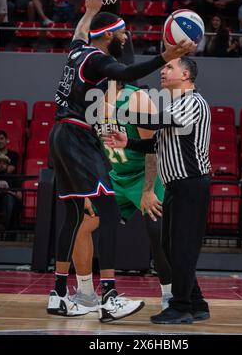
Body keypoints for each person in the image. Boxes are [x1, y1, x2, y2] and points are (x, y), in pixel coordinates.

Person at [47, 0, 196, 319]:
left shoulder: (128, 92)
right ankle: (95, 294)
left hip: (130, 169)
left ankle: (169, 296)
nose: (126, 38)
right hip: (91, 154)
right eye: (123, 33)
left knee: (150, 230)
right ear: (110, 37)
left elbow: (153, 147)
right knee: (93, 219)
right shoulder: (97, 71)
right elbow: (121, 63)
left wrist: (88, 11)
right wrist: (165, 56)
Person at [104, 57, 211, 324]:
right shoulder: (176, 105)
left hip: (191, 184)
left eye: (169, 67)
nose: (162, 71)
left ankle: (180, 307)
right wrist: (128, 141)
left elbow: (155, 123)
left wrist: (116, 110)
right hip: (177, 185)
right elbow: (156, 145)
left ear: (186, 74)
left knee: (182, 248)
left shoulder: (193, 102)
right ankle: (197, 303)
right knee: (170, 246)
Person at [70, 81, 173, 312]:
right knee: (81, 223)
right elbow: (91, 152)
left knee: (157, 232)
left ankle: (170, 294)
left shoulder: (136, 99)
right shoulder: (93, 102)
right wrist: (87, 189)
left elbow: (153, 147)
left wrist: (147, 191)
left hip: (148, 174)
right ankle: (86, 293)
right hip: (118, 176)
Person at [0, 155, 22, 230]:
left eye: (4, 163)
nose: (1, 165)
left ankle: (5, 226)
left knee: (9, 198)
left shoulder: (14, 178)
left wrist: (9, 192)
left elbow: (19, 197)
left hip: (8, 204)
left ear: (7, 166)